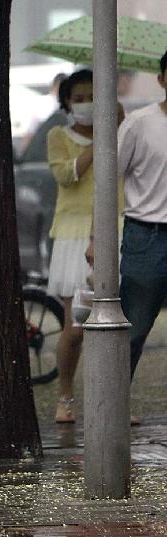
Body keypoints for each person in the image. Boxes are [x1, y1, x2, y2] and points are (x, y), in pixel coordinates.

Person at [45, 69, 126, 424]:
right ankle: (66, 395)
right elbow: (66, 175)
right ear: (66, 102)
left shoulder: (121, 135)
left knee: (122, 325)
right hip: (74, 236)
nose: (86, 104)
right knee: (76, 327)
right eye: (77, 99)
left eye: (93, 97)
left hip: (119, 229)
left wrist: (116, 130)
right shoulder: (57, 136)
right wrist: (99, 142)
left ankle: (117, 402)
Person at [107, 50, 167, 381]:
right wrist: (95, 238)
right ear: (161, 79)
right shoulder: (139, 124)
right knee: (134, 328)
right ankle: (113, 405)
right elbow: (107, 181)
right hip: (147, 236)